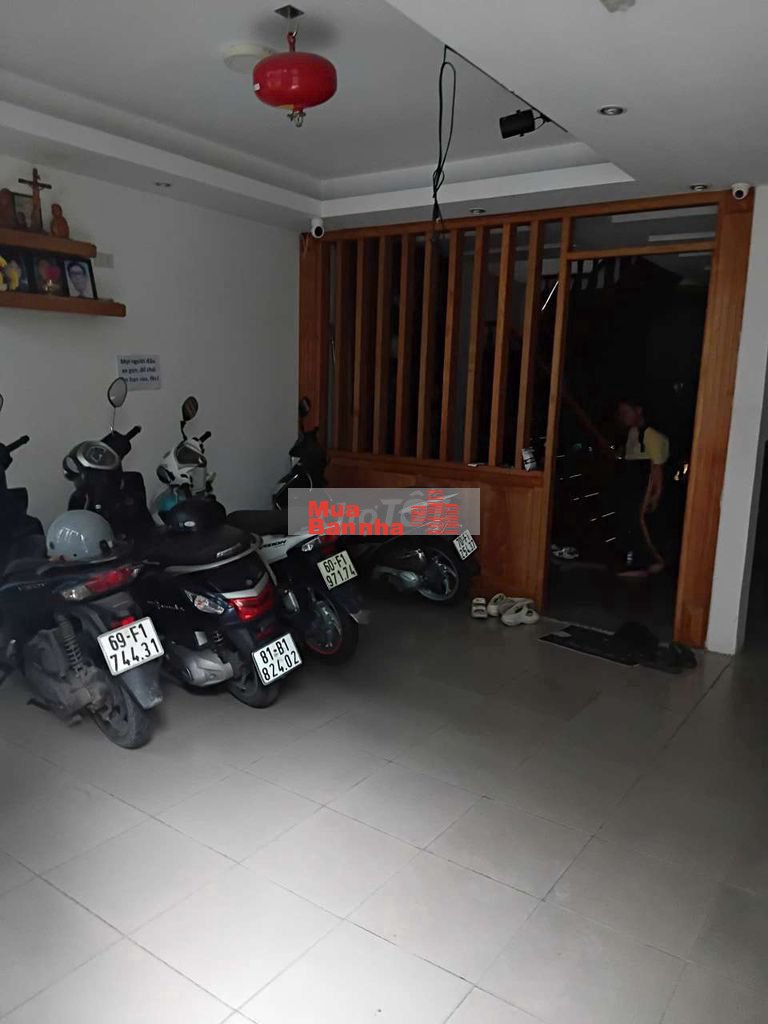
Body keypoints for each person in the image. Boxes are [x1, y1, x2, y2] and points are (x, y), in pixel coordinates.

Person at [614, 398, 669, 577]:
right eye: (621, 413)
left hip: (643, 480)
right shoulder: (632, 433)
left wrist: (655, 493)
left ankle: (649, 560)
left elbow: (656, 469)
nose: (623, 416)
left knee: (638, 519)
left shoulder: (651, 435)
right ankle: (638, 560)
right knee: (628, 518)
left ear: (638, 410)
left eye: (626, 412)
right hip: (631, 479)